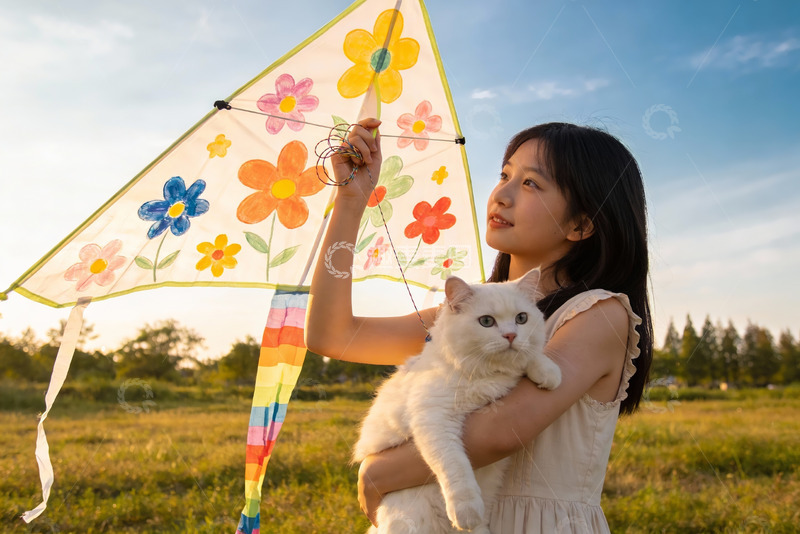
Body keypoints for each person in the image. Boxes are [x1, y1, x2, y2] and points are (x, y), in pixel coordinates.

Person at [306, 118, 653, 532]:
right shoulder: (466, 318)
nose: (502, 195)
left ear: (580, 224)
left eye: (531, 184)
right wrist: (351, 201)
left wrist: (378, 473)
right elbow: (332, 335)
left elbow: (498, 433)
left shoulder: (599, 314)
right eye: (505, 175)